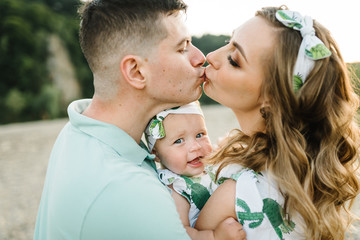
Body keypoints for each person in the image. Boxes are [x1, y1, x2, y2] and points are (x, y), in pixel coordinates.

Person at [33, 0, 245, 239]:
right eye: (182, 47)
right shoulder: (129, 190)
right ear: (136, 71)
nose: (200, 57)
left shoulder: (78, 129)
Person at [195, 6, 360, 240]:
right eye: (227, 41)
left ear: (271, 98)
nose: (211, 56)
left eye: (234, 60)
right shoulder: (305, 186)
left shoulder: (237, 194)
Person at [145, 101, 222, 239]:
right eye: (179, 141)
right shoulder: (177, 187)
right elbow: (181, 231)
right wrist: (214, 236)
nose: (195, 146)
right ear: (156, 154)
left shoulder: (210, 164)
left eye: (200, 135)